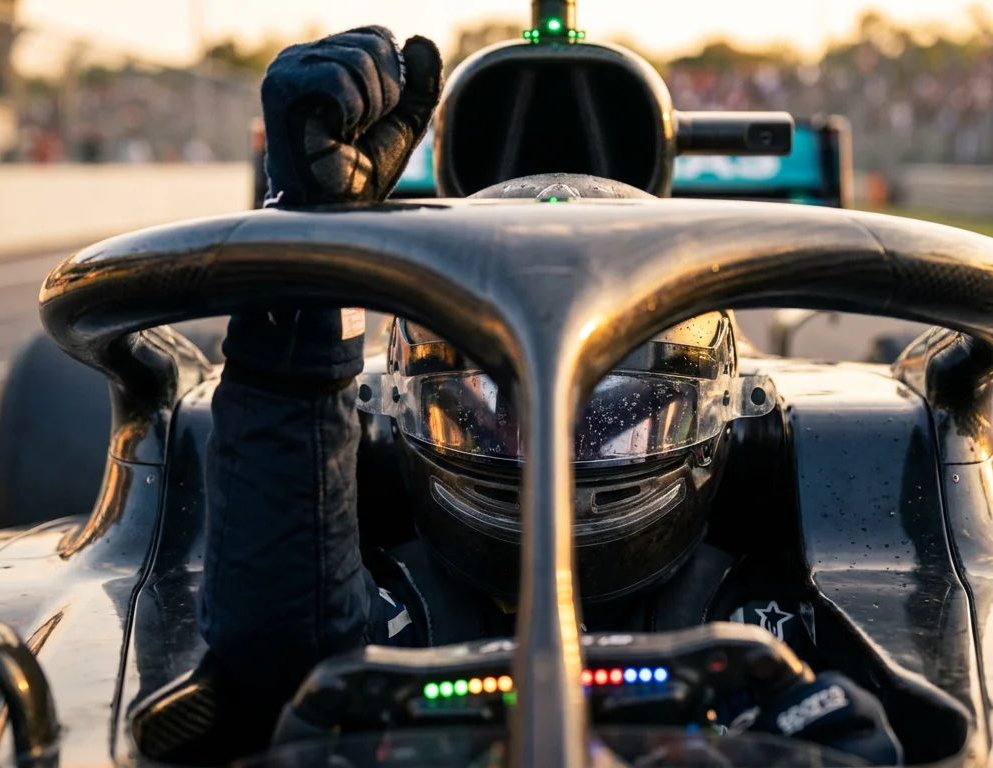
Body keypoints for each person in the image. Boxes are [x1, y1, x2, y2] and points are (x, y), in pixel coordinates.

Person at [199, 26, 902, 765]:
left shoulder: (773, 624)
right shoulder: (372, 614)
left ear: (723, 404)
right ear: (401, 401)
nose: (553, 446)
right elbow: (275, 646)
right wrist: (307, 287)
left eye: (609, 411)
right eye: (496, 408)